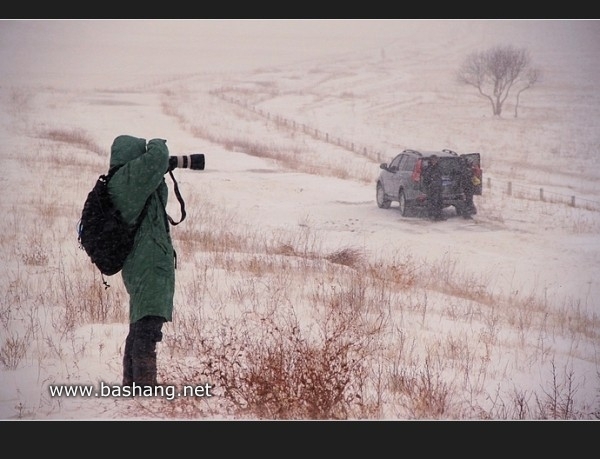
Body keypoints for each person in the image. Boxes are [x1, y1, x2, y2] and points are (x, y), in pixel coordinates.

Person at [107, 135, 176, 387]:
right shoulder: (126, 179)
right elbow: (157, 157)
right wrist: (157, 144)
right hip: (147, 263)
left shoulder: (128, 183)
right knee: (147, 329)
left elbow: (159, 200)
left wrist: (159, 173)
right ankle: (146, 388)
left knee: (141, 325)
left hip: (144, 261)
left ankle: (133, 385)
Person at [423, 155, 445, 221]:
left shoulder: (438, 168)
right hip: (431, 188)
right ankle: (432, 215)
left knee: (439, 202)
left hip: (438, 187)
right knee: (432, 202)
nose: (434, 161)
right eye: (433, 160)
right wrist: (430, 184)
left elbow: (440, 176)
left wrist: (439, 184)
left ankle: (439, 215)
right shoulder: (428, 168)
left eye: (435, 160)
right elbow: (426, 178)